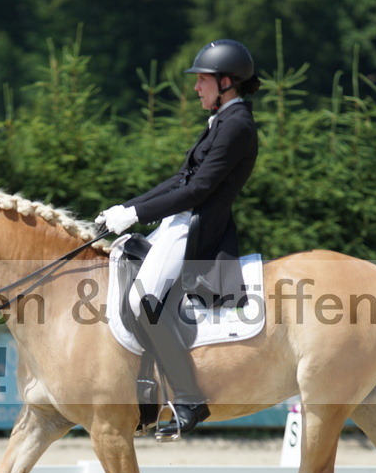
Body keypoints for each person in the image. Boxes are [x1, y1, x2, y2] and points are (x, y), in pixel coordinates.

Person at [96, 39, 261, 441]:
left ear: (226, 81)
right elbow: (179, 180)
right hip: (178, 221)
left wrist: (135, 215)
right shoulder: (221, 121)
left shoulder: (237, 125)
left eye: (202, 80)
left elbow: (198, 190)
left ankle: (188, 398)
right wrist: (126, 207)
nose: (196, 87)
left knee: (143, 299)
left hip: (196, 226)